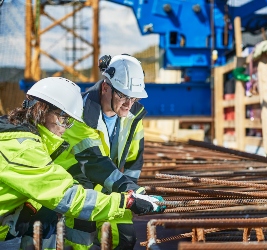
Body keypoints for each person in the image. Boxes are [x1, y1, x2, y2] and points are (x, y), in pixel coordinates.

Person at [0, 77, 163, 249]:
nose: (65, 128)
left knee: (46, 211)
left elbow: (65, 179)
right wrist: (126, 202)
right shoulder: (22, 148)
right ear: (42, 110)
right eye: (64, 119)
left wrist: (131, 191)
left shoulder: (22, 135)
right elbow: (68, 197)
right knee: (51, 208)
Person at [50, 54, 163, 249]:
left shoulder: (133, 116)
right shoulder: (79, 113)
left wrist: (132, 193)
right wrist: (134, 193)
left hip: (114, 189)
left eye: (133, 97)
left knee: (125, 239)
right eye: (123, 96)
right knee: (80, 239)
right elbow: (94, 163)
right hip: (77, 188)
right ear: (105, 87)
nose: (129, 104)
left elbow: (133, 162)